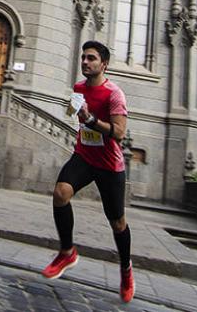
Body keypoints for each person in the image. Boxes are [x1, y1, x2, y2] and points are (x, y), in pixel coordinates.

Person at [40, 40, 134, 303]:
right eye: (83, 57)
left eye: (91, 58)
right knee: (60, 193)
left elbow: (119, 133)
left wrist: (91, 119)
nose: (85, 62)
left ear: (104, 64)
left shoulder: (114, 94)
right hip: (84, 156)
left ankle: (126, 269)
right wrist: (75, 111)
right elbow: (75, 114)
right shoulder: (79, 87)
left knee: (117, 223)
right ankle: (67, 252)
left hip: (109, 164)